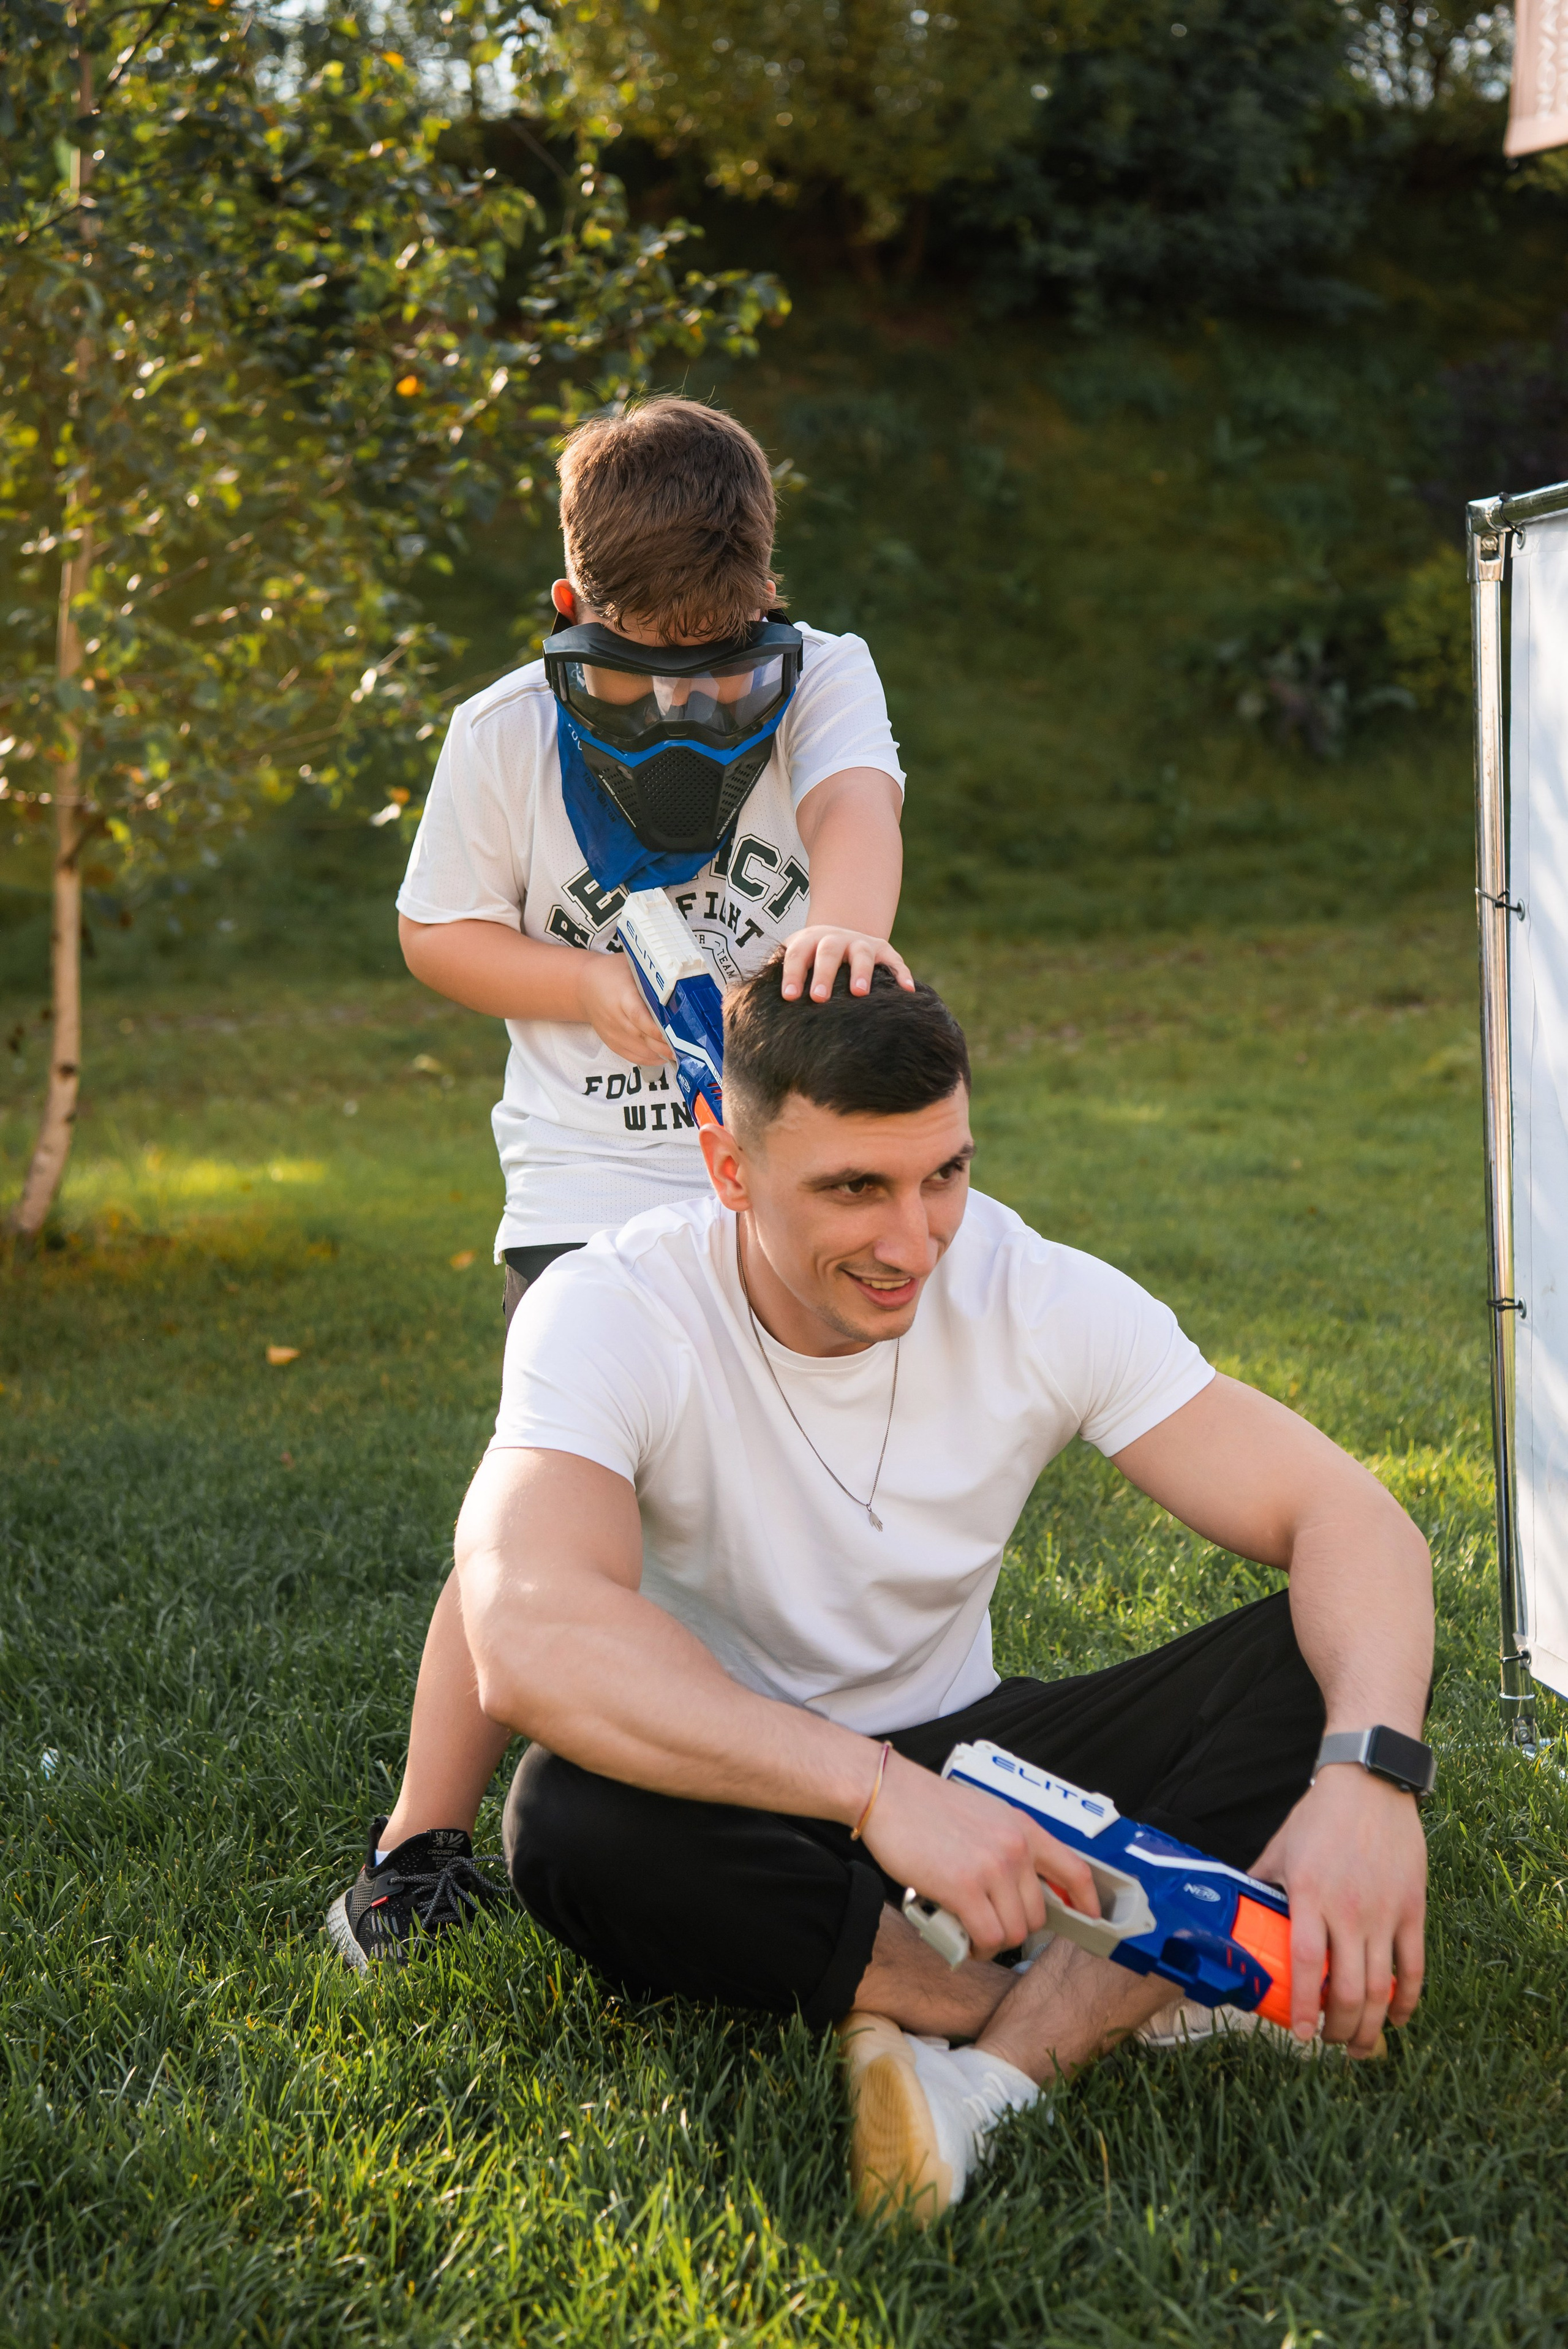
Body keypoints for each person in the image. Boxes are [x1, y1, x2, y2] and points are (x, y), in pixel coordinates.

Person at [450, 960, 1434, 2223]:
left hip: (983, 1770)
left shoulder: (1031, 1291)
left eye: (943, 1175)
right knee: (568, 1817)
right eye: (853, 1187)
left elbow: (1350, 1518)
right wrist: (871, 1791)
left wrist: (1365, 1779)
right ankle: (1094, 2004)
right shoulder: (610, 1306)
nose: (911, 1242)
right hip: (740, 1785)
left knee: (1324, 1663)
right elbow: (527, 1630)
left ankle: (979, 2078)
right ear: (728, 1167)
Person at [326, 396, 911, 1969]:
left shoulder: (823, 675)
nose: (692, 695)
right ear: (576, 612)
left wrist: (839, 929)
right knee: (554, 1492)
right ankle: (416, 1842)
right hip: (586, 1171)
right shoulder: (503, 732)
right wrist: (578, 991)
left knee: (790, 1478)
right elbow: (433, 932)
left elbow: (858, 809)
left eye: (722, 662)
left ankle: (816, 1772)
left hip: (773, 1164)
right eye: (650, 661)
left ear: (767, 602)